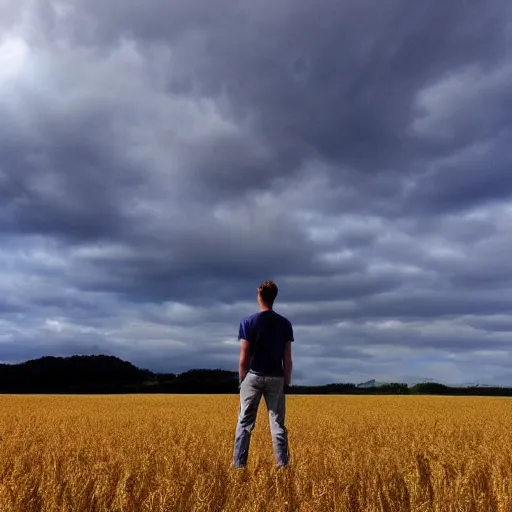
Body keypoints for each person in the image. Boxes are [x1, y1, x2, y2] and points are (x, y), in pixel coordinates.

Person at [233, 280, 294, 469]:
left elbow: (244, 357)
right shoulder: (285, 323)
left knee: (245, 423)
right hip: (276, 377)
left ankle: (239, 466)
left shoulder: (248, 322)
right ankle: (282, 466)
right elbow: (287, 358)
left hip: (253, 375)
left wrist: (242, 381)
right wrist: (287, 382)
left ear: (259, 297)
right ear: (274, 298)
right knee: (277, 424)